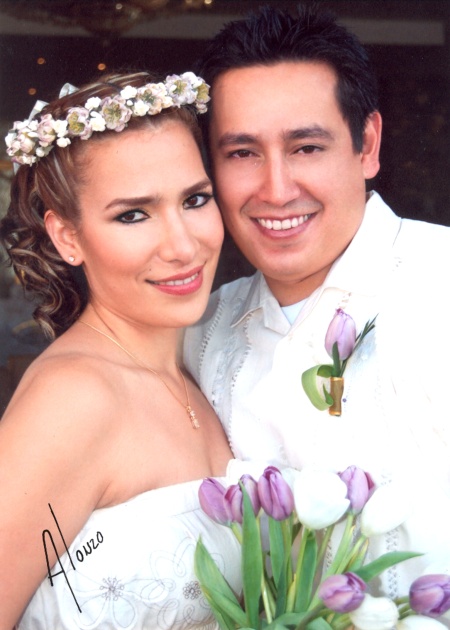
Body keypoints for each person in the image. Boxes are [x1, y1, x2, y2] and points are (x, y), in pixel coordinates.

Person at [184, 3, 450, 605]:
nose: (276, 190)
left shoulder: (441, 285)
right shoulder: (200, 333)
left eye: (306, 147)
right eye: (242, 153)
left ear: (367, 144)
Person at [0, 70, 244, 630]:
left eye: (196, 199)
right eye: (133, 214)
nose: (184, 245)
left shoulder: (200, 374)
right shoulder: (73, 398)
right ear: (66, 236)